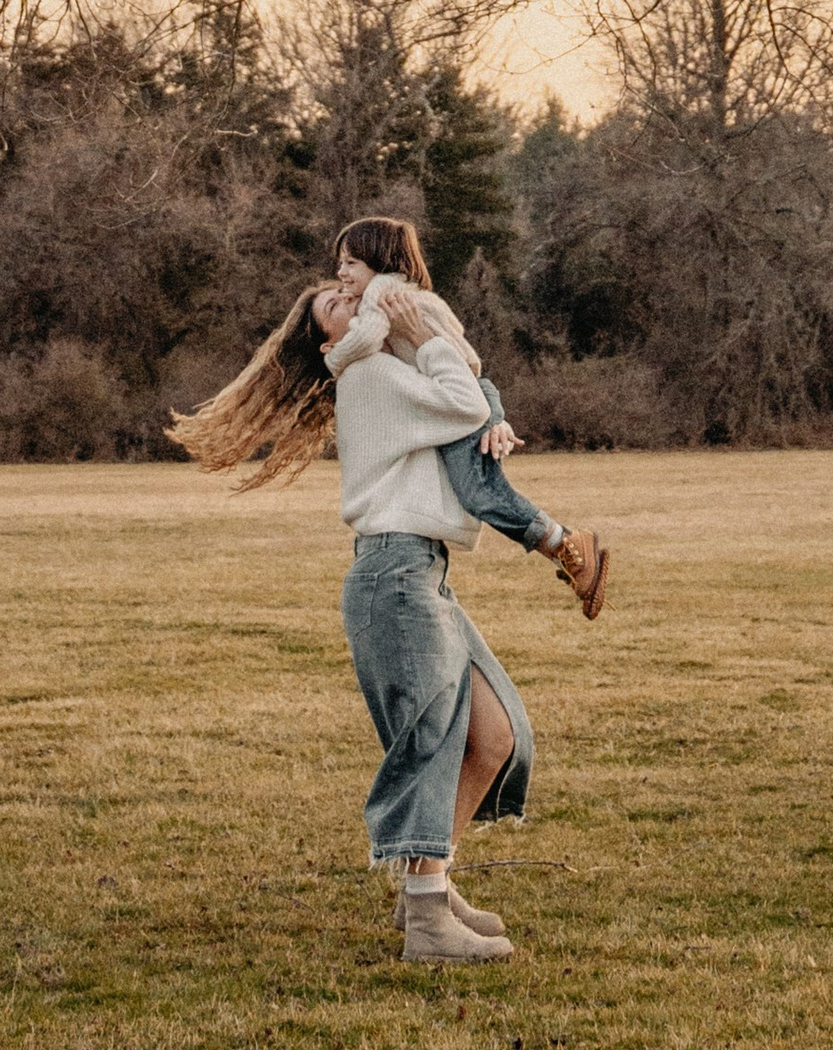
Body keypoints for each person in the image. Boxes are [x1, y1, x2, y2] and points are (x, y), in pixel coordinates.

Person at [169, 269, 536, 965]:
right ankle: (427, 919)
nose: (350, 298)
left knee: (492, 735)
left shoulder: (382, 368)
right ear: (329, 336)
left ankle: (426, 884)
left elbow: (466, 403)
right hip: (394, 573)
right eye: (334, 304)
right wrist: (423, 332)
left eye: (344, 289)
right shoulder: (367, 373)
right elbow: (459, 399)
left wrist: (495, 415)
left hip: (423, 569)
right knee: (433, 735)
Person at [324, 215, 609, 620]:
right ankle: (565, 547)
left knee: (478, 493)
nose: (341, 272)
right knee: (479, 492)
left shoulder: (384, 294)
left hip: (466, 390)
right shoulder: (408, 292)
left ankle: (568, 546)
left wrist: (334, 359)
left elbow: (368, 337)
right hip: (471, 386)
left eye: (351, 262)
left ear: (380, 260)